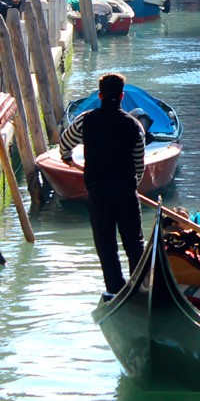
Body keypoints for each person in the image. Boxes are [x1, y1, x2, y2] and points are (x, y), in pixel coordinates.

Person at [59, 73, 146, 295]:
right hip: (126, 191)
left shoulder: (85, 119)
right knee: (134, 244)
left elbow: (65, 143)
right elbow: (139, 167)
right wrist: (131, 186)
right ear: (122, 96)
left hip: (98, 191)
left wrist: (67, 157)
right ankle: (140, 289)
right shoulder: (134, 126)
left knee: (106, 246)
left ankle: (115, 289)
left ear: (100, 95)